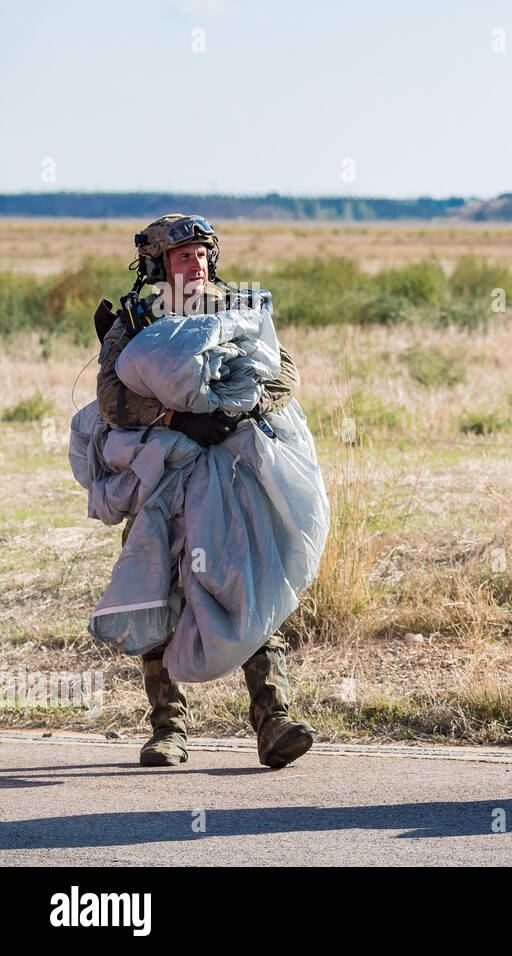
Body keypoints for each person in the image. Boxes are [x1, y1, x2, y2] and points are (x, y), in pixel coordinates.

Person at [95, 214, 316, 769]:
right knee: (159, 586)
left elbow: (282, 372)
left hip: (234, 469)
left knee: (250, 581)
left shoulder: (239, 307)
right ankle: (167, 729)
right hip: (166, 470)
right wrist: (173, 416)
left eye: (199, 255)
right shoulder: (134, 320)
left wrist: (240, 404)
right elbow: (111, 400)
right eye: (180, 257)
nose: (193, 265)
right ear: (156, 264)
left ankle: (274, 720)